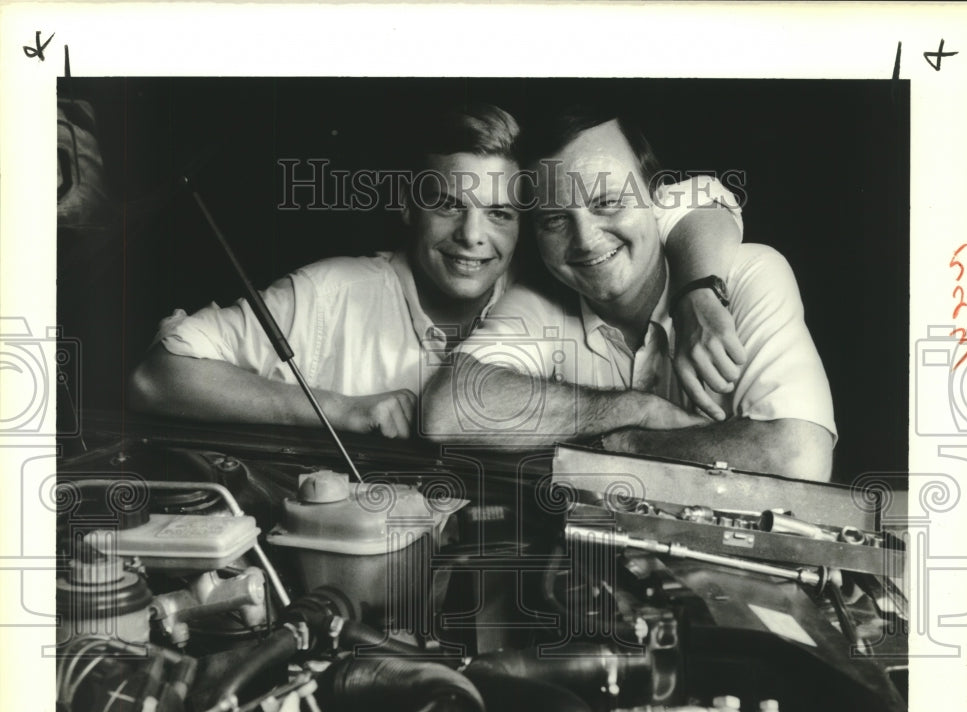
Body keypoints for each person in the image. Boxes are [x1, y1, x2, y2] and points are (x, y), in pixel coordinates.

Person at [128, 102, 748, 440]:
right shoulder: (331, 291)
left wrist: (698, 291)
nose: (472, 237)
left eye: (501, 213)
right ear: (406, 206)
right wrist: (337, 408)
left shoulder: (552, 280)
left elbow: (689, 200)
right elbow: (157, 378)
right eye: (449, 204)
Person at [422, 106, 836, 481]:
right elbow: (446, 411)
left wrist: (625, 444)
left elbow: (795, 458)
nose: (585, 240)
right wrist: (636, 408)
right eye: (554, 220)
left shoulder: (749, 273)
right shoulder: (540, 300)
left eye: (608, 203)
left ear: (659, 200)